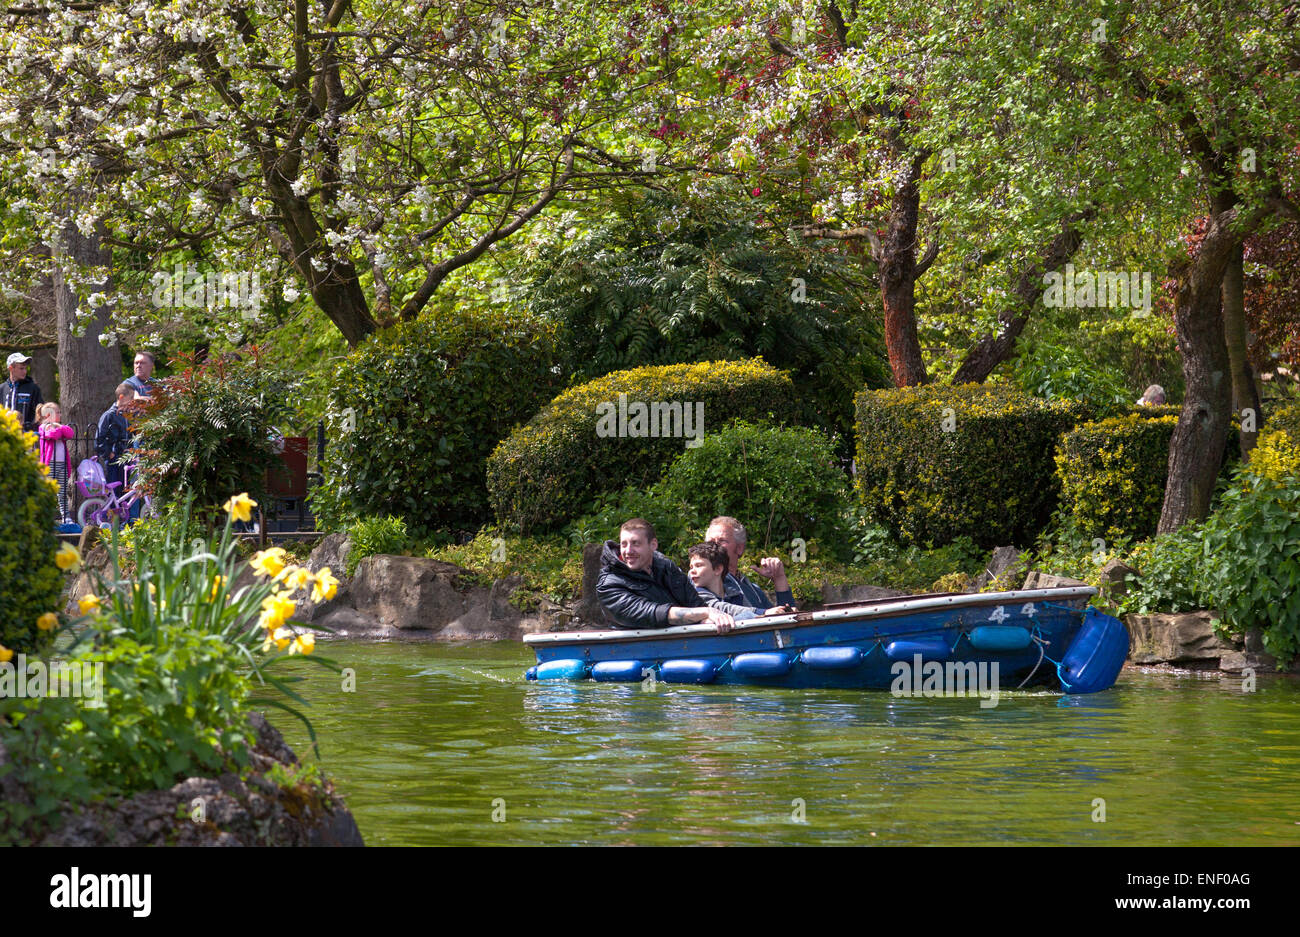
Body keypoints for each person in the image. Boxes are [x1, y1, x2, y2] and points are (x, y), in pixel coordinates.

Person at [597, 518, 737, 634]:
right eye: (624, 544)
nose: (628, 551)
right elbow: (652, 613)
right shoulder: (609, 584)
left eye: (635, 544)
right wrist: (705, 613)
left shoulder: (665, 566)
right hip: (635, 655)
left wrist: (708, 619)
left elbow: (694, 602)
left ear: (653, 545)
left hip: (679, 645)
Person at [706, 515, 796, 611]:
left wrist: (779, 578)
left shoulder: (753, 589)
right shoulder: (703, 579)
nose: (714, 545)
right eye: (710, 541)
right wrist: (762, 613)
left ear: (739, 548)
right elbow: (716, 610)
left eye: (722, 541)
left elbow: (785, 618)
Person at [687, 542, 791, 620]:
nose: (692, 571)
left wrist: (784, 611)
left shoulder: (737, 593)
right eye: (691, 567)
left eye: (698, 566)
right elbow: (720, 608)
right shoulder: (696, 593)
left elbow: (774, 616)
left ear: (718, 569)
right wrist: (763, 612)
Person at [38, 402, 75, 523]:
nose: (60, 414)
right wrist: (57, 428)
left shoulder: (57, 426)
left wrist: (57, 425)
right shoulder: (43, 427)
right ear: (49, 414)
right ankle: (46, 516)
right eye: (58, 412)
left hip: (62, 464)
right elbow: (53, 435)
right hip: (50, 464)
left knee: (62, 492)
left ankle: (66, 516)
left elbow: (70, 433)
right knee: (49, 492)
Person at [96, 382, 135, 496]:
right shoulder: (109, 415)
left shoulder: (126, 416)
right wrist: (110, 454)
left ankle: (122, 514)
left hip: (126, 460)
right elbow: (99, 439)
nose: (133, 400)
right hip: (114, 461)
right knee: (113, 493)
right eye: (131, 397)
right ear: (121, 397)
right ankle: (110, 513)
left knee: (125, 492)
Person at [3, 352, 45, 432]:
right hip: (4, 436)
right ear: (11, 368)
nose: (25, 371)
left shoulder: (33, 388)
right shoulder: (2, 388)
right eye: (21, 368)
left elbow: (40, 412)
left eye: (25, 368)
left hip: (26, 437)